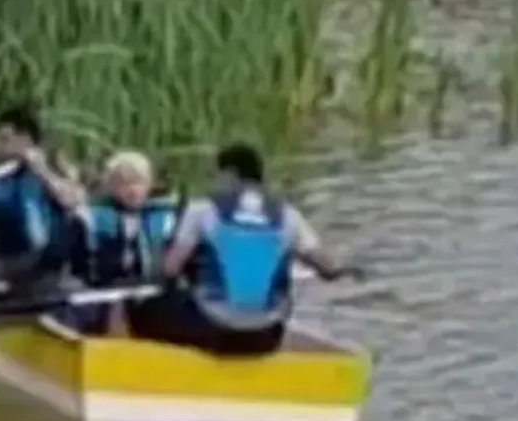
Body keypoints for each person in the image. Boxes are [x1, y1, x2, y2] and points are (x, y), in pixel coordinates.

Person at [127, 142, 361, 357]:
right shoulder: (289, 215)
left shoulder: (203, 210)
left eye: (217, 175)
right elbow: (328, 270)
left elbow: (169, 270)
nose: (214, 183)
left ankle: (139, 364)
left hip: (216, 331)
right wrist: (347, 270)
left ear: (230, 174)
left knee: (139, 307)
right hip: (267, 337)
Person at [67, 151, 179, 335]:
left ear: (149, 185)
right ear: (110, 187)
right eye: (123, 184)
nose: (132, 190)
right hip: (101, 293)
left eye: (138, 182)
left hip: (151, 293)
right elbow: (75, 266)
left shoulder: (168, 218)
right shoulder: (89, 218)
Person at [0, 106, 84, 281]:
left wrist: (42, 172)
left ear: (25, 140)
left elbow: (73, 200)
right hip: (4, 260)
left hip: (45, 265)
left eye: (5, 139)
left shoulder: (53, 165)